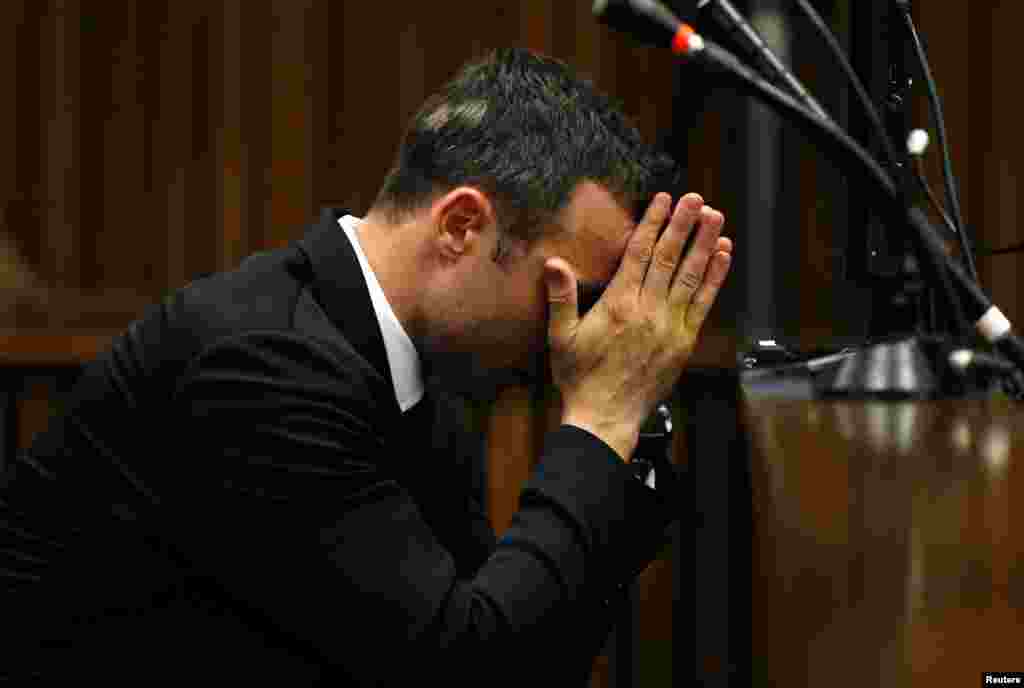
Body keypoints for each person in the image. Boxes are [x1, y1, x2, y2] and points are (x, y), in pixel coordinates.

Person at [1, 47, 731, 685]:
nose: (574, 331)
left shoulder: (420, 370)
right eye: (564, 289)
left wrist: (631, 430)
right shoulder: (265, 370)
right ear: (461, 227)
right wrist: (602, 418)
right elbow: (466, 668)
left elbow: (523, 651)